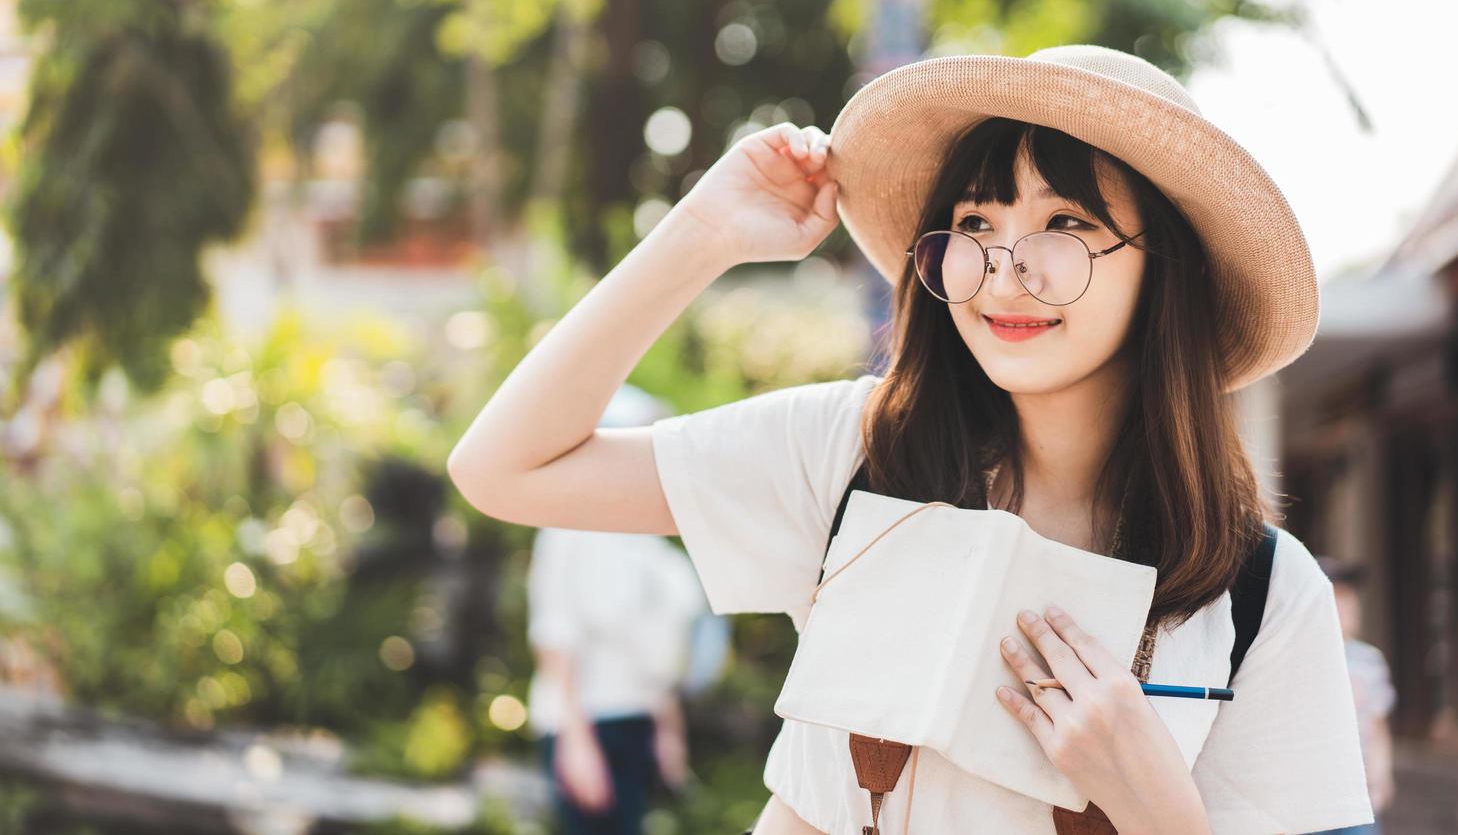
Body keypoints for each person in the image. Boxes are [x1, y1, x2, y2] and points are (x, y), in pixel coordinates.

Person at [448, 44, 1375, 834]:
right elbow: (504, 468)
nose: (1004, 273)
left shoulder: (1256, 591)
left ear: (1163, 272)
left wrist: (1156, 808)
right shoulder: (852, 455)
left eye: (1065, 225)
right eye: (976, 222)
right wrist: (701, 233)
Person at [525, 384, 709, 834]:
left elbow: (658, 651)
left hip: (636, 721)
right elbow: (554, 638)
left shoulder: (648, 543)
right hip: (590, 724)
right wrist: (576, 743)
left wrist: (668, 731)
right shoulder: (567, 532)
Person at [1306, 557, 1396, 835]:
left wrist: (1382, 777)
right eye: (1339, 597)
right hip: (1311, 796)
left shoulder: (1369, 660)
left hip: (1358, 797)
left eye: (1351, 597)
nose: (1349, 606)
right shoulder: (1302, 657)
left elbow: (1377, 725)